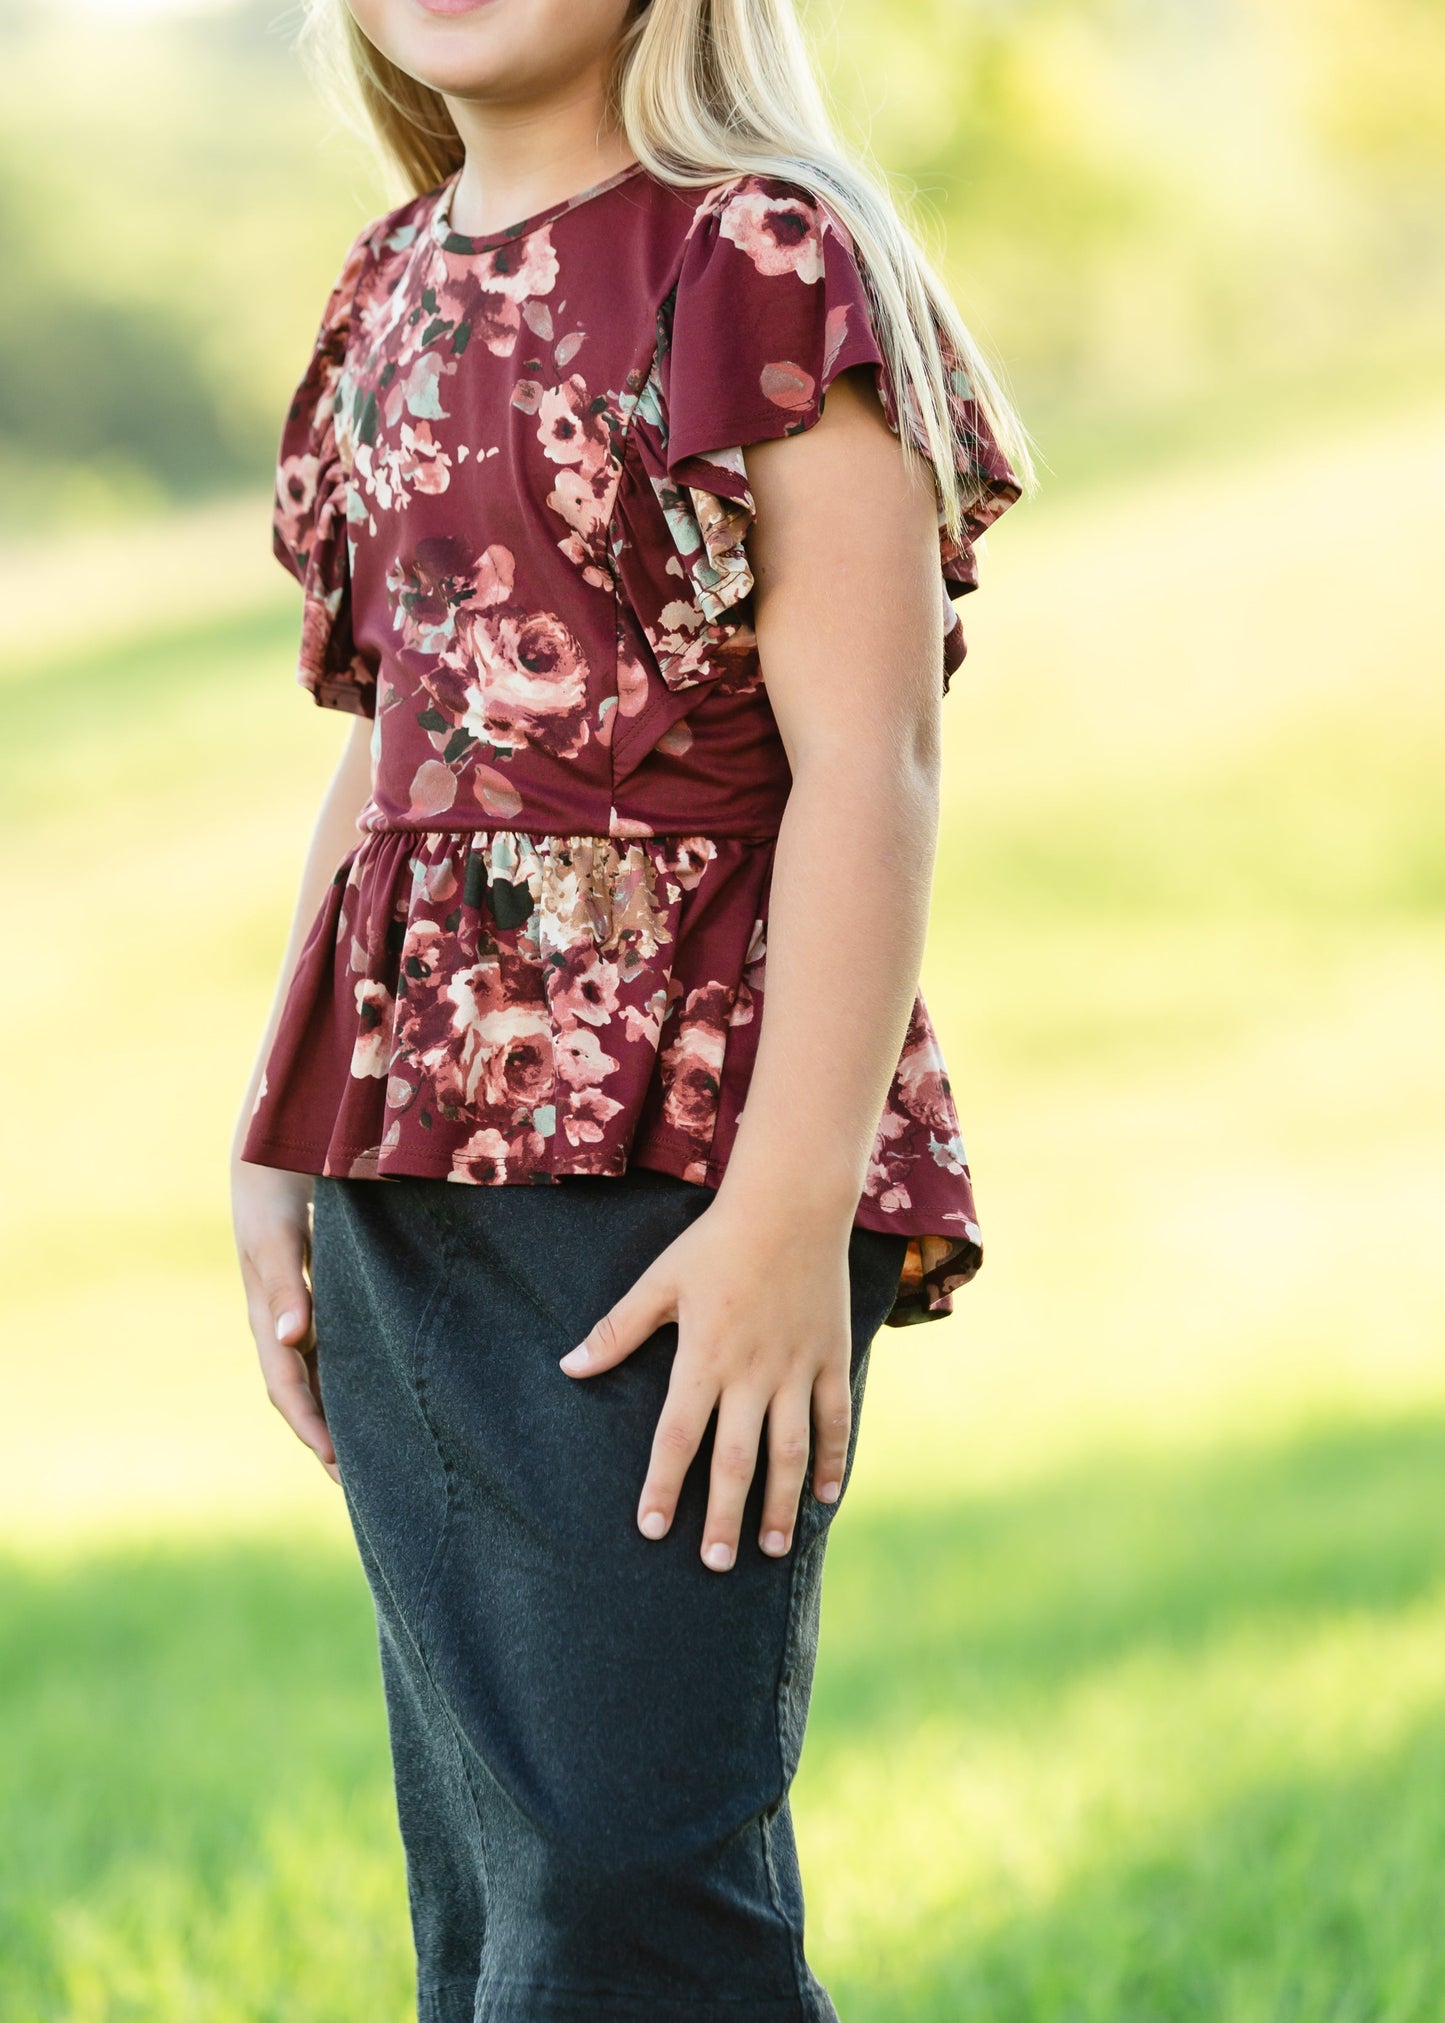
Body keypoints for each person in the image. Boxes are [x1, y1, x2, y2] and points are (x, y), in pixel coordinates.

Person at [230, 0, 1032, 2015]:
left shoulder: (762, 259)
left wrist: (782, 1220)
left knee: (626, 1872)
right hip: (407, 1157)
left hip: (690, 1154)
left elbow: (874, 766)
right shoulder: (391, 287)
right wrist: (273, 1125)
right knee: (501, 1885)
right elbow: (404, 755)